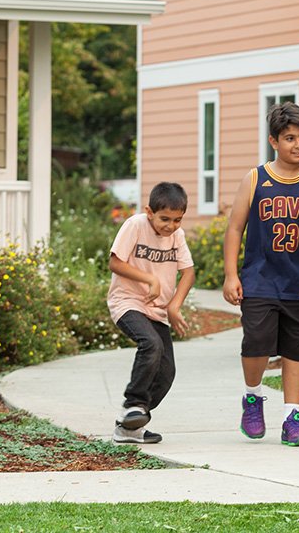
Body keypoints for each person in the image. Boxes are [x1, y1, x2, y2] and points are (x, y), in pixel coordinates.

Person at [223, 102, 299, 447]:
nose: (298, 145)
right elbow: (234, 228)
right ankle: (253, 397)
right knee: (256, 342)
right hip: (259, 279)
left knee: (297, 350)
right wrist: (230, 275)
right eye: (290, 138)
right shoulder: (256, 178)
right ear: (274, 140)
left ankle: (292, 418)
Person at [107, 182, 196, 444]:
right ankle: (132, 404)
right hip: (128, 302)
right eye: (165, 219)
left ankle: (129, 427)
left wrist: (174, 305)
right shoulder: (135, 225)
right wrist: (150, 279)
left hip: (157, 311)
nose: (170, 226)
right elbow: (114, 262)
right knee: (151, 344)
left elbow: (188, 272)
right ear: (149, 212)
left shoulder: (176, 236)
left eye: (177, 220)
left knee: (166, 373)